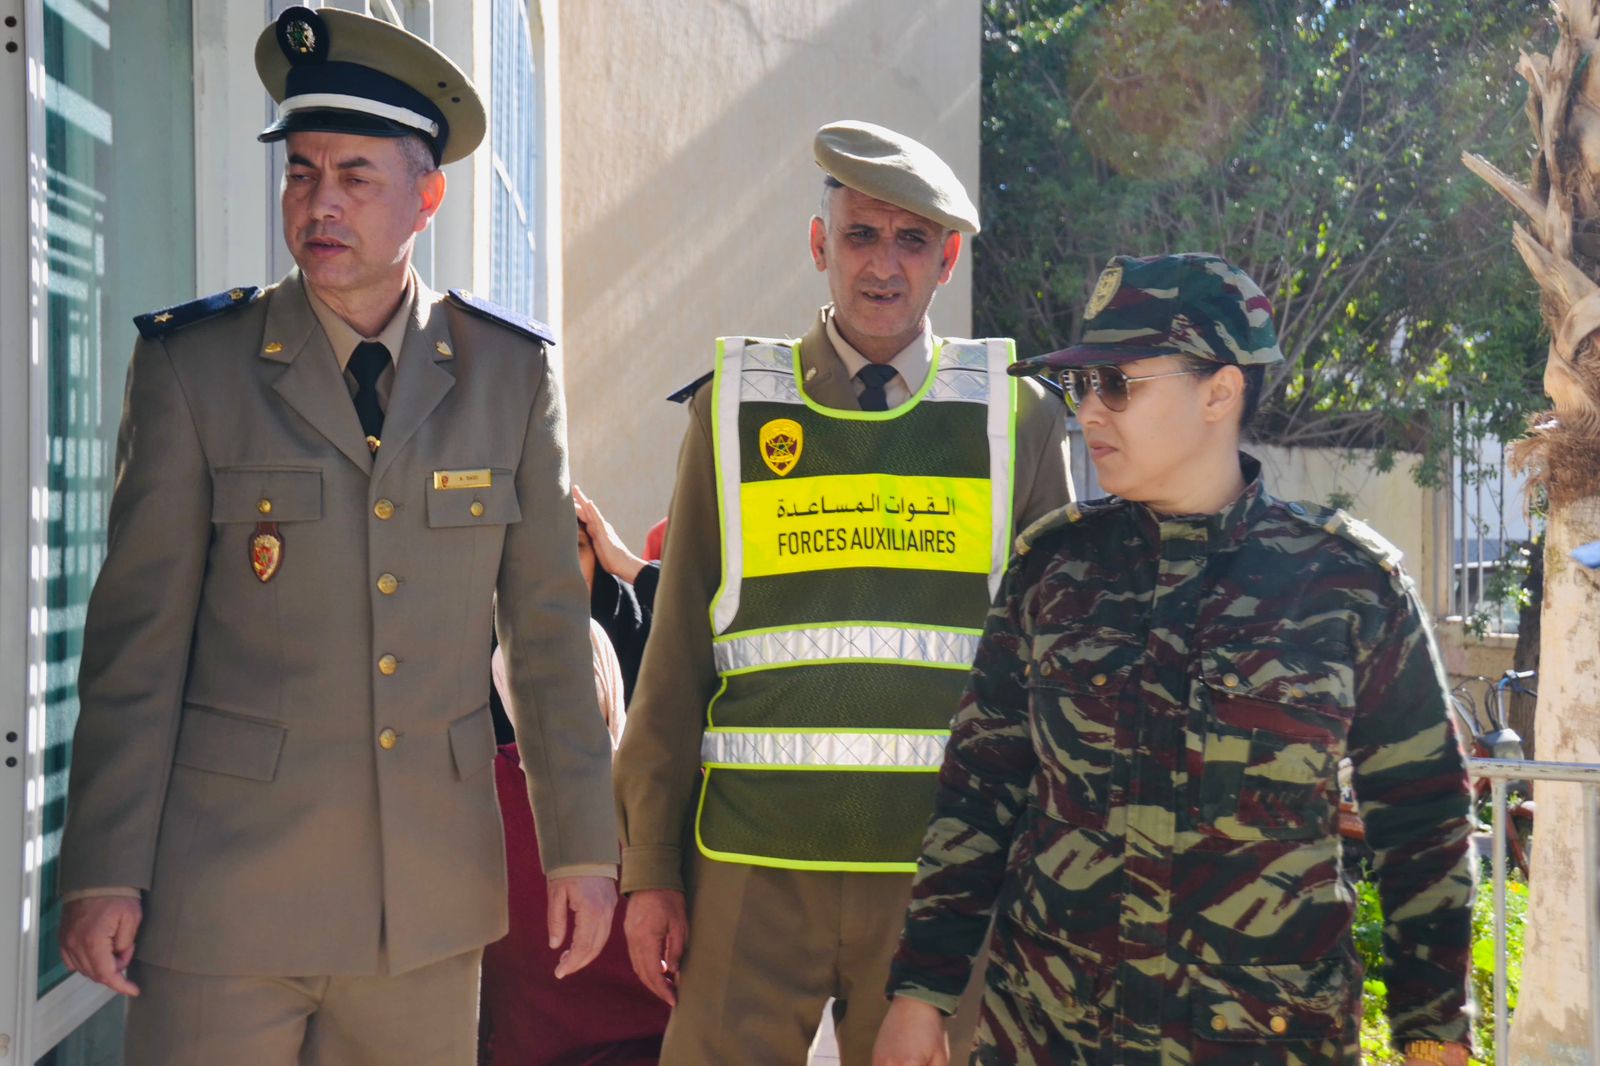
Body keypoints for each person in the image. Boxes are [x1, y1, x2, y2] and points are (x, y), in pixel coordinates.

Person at [53, 7, 617, 1063]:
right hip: (225, 899)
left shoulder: (507, 377)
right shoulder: (196, 369)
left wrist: (584, 849)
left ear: (426, 197)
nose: (319, 202)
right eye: (301, 172)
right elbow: (137, 646)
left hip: (425, 908)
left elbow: (547, 638)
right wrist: (102, 867)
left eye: (355, 176)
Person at [873, 253, 1475, 1066]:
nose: (1089, 410)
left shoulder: (1346, 585)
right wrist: (922, 993)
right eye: (1080, 386)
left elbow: (1423, 820)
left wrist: (1432, 1037)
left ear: (1219, 393)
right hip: (1051, 1036)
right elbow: (980, 792)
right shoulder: (1054, 572)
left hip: (1262, 1041)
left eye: (1116, 385)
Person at [615, 120, 1073, 1065]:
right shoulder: (732, 408)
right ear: (820, 244)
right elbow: (675, 659)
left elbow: (1056, 679)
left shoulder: (1018, 417)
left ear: (947, 261)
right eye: (862, 235)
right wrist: (650, 864)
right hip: (747, 870)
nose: (884, 265)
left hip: (944, 884)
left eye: (912, 241)